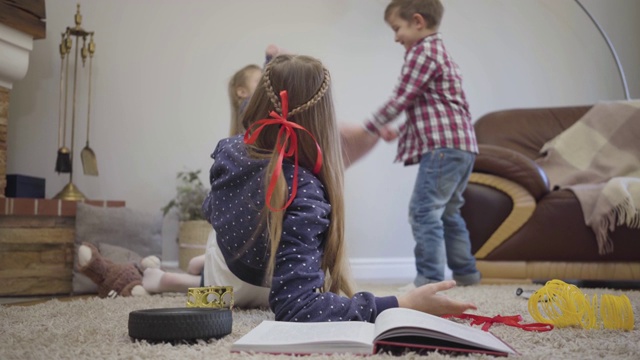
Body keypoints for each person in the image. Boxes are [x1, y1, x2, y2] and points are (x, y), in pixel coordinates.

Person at [200, 53, 477, 322]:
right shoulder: (306, 189)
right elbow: (297, 306)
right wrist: (401, 303)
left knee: (216, 238)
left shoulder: (228, 149)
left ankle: (191, 274)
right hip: (265, 290)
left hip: (220, 287)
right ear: (323, 117)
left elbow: (211, 210)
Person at [351, 0, 481, 288]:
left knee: (423, 211)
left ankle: (429, 280)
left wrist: (367, 128)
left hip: (443, 148)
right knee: (449, 212)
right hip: (463, 146)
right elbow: (433, 106)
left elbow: (401, 97)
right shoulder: (440, 53)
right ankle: (467, 274)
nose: (396, 37)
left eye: (397, 28)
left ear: (418, 22)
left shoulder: (421, 52)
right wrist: (399, 131)